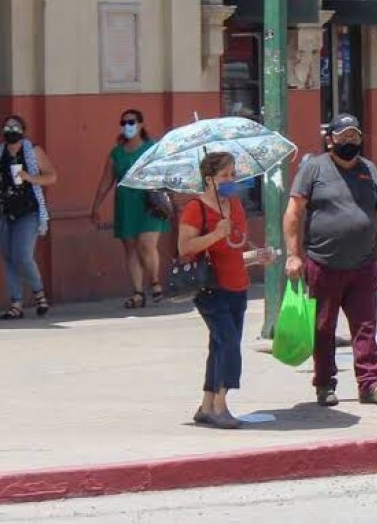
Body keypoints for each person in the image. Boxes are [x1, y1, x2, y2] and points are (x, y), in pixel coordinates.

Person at [283, 113, 377, 407]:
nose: (349, 141)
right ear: (330, 139)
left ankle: (370, 384)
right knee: (323, 329)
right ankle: (324, 385)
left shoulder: (369, 170)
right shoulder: (314, 169)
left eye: (354, 136)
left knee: (365, 327)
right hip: (323, 264)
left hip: (363, 265)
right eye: (343, 136)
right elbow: (294, 212)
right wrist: (293, 255)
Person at [177, 152, 276, 429]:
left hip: (237, 285)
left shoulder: (235, 205)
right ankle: (221, 405)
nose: (231, 180)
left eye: (234, 174)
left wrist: (258, 255)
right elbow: (184, 248)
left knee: (219, 344)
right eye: (225, 176)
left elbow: (237, 246)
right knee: (229, 343)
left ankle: (206, 406)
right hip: (211, 288)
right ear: (209, 179)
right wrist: (215, 234)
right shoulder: (195, 208)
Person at [0, 116, 57, 319]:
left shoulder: (33, 151)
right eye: (8, 126)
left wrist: (30, 177)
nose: (11, 130)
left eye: (16, 127)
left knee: (22, 256)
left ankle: (39, 293)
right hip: (1, 211)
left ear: (23, 130)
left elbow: (52, 176)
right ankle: (16, 304)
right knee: (8, 259)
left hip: (27, 211)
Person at [91, 109, 170, 308]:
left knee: (147, 243)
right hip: (126, 202)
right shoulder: (116, 153)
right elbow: (106, 180)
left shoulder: (152, 148)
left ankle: (155, 281)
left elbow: (165, 173)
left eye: (132, 122)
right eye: (124, 122)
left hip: (149, 201)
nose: (128, 126)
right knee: (131, 248)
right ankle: (137, 292)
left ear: (141, 124)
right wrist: (96, 205)